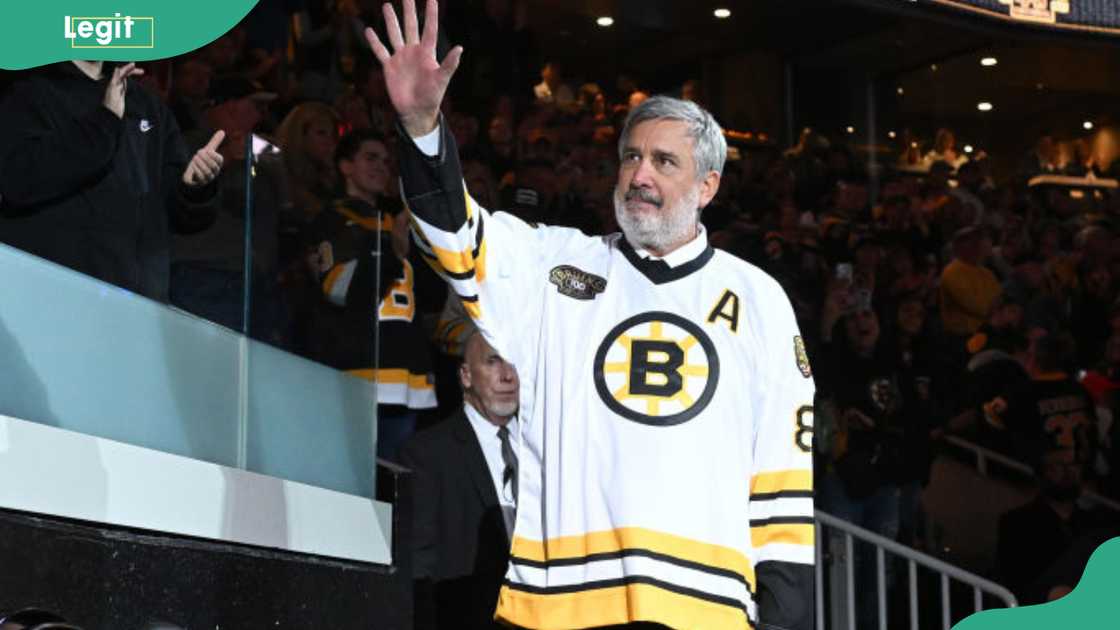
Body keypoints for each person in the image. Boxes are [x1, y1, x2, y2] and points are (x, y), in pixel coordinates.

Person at [366, 2, 815, 628]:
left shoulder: (760, 298)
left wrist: (784, 616)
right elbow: (454, 238)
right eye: (631, 157)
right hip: (558, 606)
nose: (640, 175)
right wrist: (421, 126)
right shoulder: (555, 265)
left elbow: (783, 479)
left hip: (704, 609)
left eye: (665, 161)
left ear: (708, 186)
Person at [0, 60, 225, 301]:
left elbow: (179, 215)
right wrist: (104, 121)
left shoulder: (147, 104)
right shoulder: (24, 91)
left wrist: (193, 188)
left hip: (137, 304)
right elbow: (17, 180)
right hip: (50, 293)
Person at [307, 128, 437, 459]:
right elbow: (338, 288)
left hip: (408, 374)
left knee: (395, 483)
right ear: (345, 166)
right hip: (359, 370)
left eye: (386, 160)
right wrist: (392, 250)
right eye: (370, 157)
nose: (381, 166)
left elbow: (432, 296)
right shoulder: (333, 218)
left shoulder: (399, 221)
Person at [399, 329, 520, 630]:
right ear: (466, 376)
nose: (508, 376)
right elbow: (418, 571)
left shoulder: (548, 448)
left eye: (515, 363)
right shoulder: (426, 453)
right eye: (493, 362)